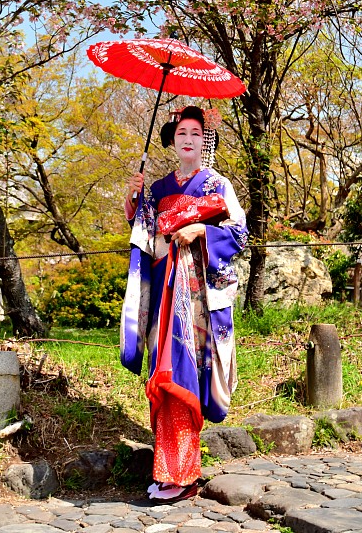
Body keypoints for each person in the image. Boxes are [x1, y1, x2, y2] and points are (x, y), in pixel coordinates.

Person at [121, 106, 248, 503]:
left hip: (198, 296)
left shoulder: (218, 183)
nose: (188, 139)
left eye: (195, 132)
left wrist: (202, 229)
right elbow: (143, 232)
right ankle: (167, 470)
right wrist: (133, 197)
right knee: (164, 370)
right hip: (164, 290)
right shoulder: (157, 188)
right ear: (172, 141)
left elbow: (240, 232)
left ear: (204, 139)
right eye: (181, 133)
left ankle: (184, 474)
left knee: (187, 371)